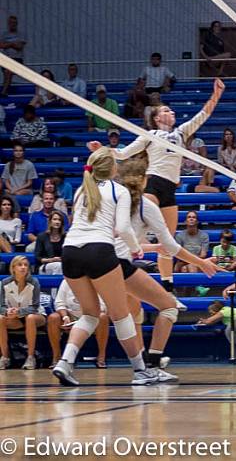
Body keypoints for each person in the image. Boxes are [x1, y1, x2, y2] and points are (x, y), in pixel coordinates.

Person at [91, 78, 224, 300]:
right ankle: (118, 259)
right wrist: (103, 149)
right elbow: (123, 154)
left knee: (167, 242)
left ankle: (167, 287)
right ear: (156, 117)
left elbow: (203, 115)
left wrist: (216, 94)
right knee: (136, 227)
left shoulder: (181, 133)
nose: (170, 111)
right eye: (165, 110)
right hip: (153, 183)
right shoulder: (149, 135)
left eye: (171, 110)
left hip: (170, 189)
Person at [49, 148, 159, 387]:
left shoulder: (81, 191)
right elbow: (123, 228)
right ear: (112, 169)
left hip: (69, 252)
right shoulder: (118, 190)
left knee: (89, 314)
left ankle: (65, 363)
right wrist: (135, 248)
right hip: (99, 250)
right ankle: (141, 370)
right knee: (120, 314)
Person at [47, 280, 109, 370]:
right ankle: (57, 357)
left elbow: (102, 306)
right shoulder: (66, 282)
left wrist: (85, 317)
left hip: (90, 316)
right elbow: (59, 303)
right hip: (70, 317)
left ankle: (101, 356)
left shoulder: (96, 280)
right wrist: (65, 317)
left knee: (103, 317)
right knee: (53, 318)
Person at [0, 255, 45, 369]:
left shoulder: (34, 282)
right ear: (13, 268)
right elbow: (1, 306)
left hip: (36, 316)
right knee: (0, 318)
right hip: (15, 318)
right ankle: (5, 357)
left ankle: (30, 357)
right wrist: (7, 312)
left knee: (30, 317)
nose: (23, 267)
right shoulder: (4, 283)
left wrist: (19, 312)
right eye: (20, 265)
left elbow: (35, 306)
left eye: (26, 265)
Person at [0, 14, 25, 96]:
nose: (13, 24)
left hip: (17, 59)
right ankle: (5, 90)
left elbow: (20, 47)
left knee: (8, 71)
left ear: (16, 24)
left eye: (14, 23)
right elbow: (1, 45)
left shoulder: (20, 34)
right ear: (8, 23)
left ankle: (4, 91)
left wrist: (8, 44)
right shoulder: (4, 34)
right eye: (11, 22)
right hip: (6, 59)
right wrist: (13, 44)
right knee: (7, 72)